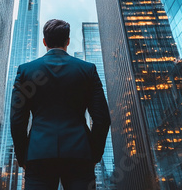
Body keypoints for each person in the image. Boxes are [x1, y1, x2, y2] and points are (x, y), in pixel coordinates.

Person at [11, 19, 111, 190]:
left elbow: (17, 121)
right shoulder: (88, 70)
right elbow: (102, 119)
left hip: (38, 154)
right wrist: (94, 154)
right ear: (68, 41)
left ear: (44, 42)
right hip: (79, 154)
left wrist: (23, 157)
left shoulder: (25, 71)